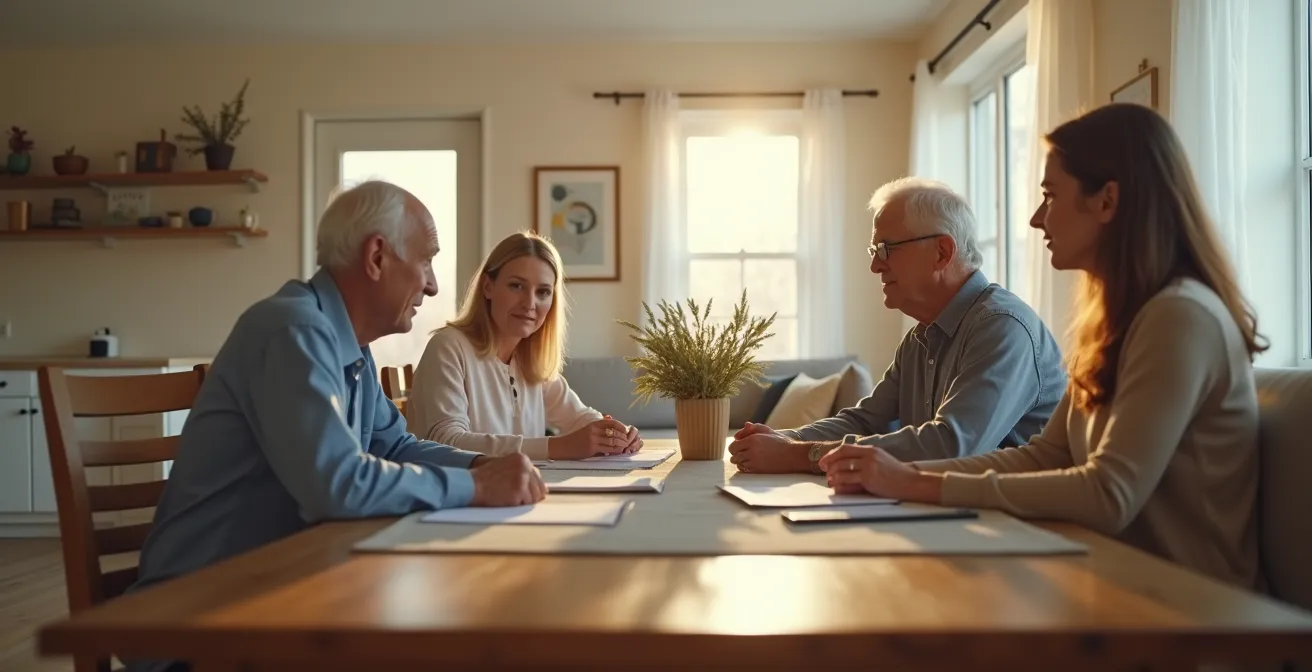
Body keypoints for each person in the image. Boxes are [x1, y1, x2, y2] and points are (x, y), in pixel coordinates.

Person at [819, 103, 1267, 590]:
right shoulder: (1120, 324)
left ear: (1107, 201)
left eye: (1050, 195)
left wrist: (912, 481)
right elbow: (1043, 456)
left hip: (1191, 604)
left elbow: (1109, 493)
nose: (1035, 218)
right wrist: (902, 477)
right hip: (1112, 578)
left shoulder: (1179, 316)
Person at [127, 182, 545, 671]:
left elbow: (396, 446)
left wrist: (483, 465)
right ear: (376, 257)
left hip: (273, 596)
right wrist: (477, 486)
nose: (433, 285)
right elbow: (337, 484)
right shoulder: (293, 330)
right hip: (197, 627)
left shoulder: (350, 346)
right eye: (426, 261)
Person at [728, 177, 1066, 474]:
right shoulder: (921, 337)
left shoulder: (1001, 327)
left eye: (886, 249)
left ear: (941, 252)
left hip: (1014, 522)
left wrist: (798, 454)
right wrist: (784, 439)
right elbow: (864, 421)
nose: (875, 266)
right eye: (874, 250)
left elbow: (951, 446)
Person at [406, 231, 641, 461]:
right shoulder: (448, 346)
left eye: (543, 292)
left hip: (517, 485)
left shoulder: (531, 360)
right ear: (488, 286)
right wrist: (558, 446)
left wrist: (616, 435)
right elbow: (447, 441)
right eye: (516, 286)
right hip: (456, 486)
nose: (530, 303)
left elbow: (579, 417)